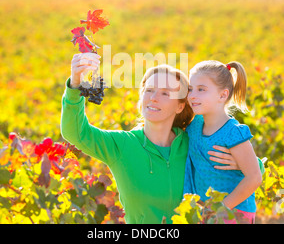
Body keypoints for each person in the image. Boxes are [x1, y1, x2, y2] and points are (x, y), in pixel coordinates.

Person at [60, 53, 243, 224]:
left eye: (165, 93)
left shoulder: (193, 142)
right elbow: (74, 132)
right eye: (149, 90)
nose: (154, 98)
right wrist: (76, 85)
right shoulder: (123, 145)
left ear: (180, 106)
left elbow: (253, 166)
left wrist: (237, 162)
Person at [184, 60, 262, 224]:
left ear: (223, 95)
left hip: (234, 211)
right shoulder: (195, 125)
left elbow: (254, 177)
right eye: (190, 89)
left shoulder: (233, 132)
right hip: (207, 211)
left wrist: (221, 208)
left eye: (201, 89)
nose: (192, 95)